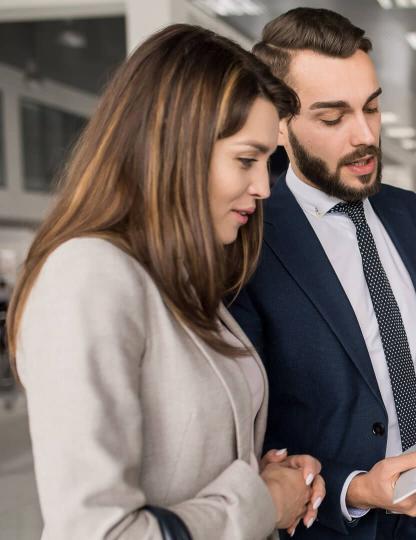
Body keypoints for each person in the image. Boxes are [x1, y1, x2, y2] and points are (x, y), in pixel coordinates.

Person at [5, 25, 325, 539]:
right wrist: (260, 502)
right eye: (246, 160)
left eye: (269, 163)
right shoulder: (89, 277)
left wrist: (276, 480)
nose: (263, 187)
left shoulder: (181, 283)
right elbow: (101, 533)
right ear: (176, 148)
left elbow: (185, 466)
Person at [229, 8, 416, 539]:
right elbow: (243, 433)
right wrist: (356, 488)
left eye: (372, 107)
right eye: (332, 118)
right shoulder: (248, 237)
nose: (364, 136)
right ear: (278, 122)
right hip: (340, 523)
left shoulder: (404, 210)